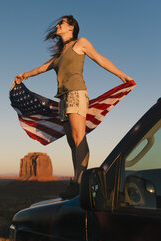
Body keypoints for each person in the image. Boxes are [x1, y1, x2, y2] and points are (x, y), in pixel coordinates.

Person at [14, 15, 133, 186]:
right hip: (63, 99)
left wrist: (122, 75)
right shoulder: (59, 53)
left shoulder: (81, 43)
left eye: (61, 23)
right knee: (71, 141)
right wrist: (24, 75)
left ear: (71, 27)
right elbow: (42, 68)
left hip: (76, 93)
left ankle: (81, 182)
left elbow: (100, 59)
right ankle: (77, 181)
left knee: (79, 137)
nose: (57, 25)